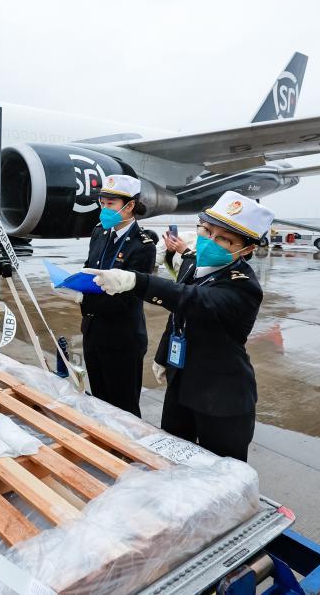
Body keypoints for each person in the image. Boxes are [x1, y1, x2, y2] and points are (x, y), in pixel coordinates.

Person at [84, 190, 274, 461]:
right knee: (173, 460)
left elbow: (194, 299)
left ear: (247, 248)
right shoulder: (193, 265)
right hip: (181, 384)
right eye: (206, 231)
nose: (210, 241)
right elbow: (177, 317)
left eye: (224, 239)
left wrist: (136, 281)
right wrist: (164, 357)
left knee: (220, 474)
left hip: (220, 396)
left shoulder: (243, 286)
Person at [53, 174, 155, 416]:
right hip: (93, 331)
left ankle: (125, 453)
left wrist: (83, 298)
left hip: (122, 339)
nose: (104, 209)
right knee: (99, 402)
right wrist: (72, 284)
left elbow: (126, 298)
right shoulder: (100, 232)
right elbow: (90, 269)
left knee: (123, 408)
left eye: (111, 204)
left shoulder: (143, 245)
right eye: (103, 202)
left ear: (129, 206)